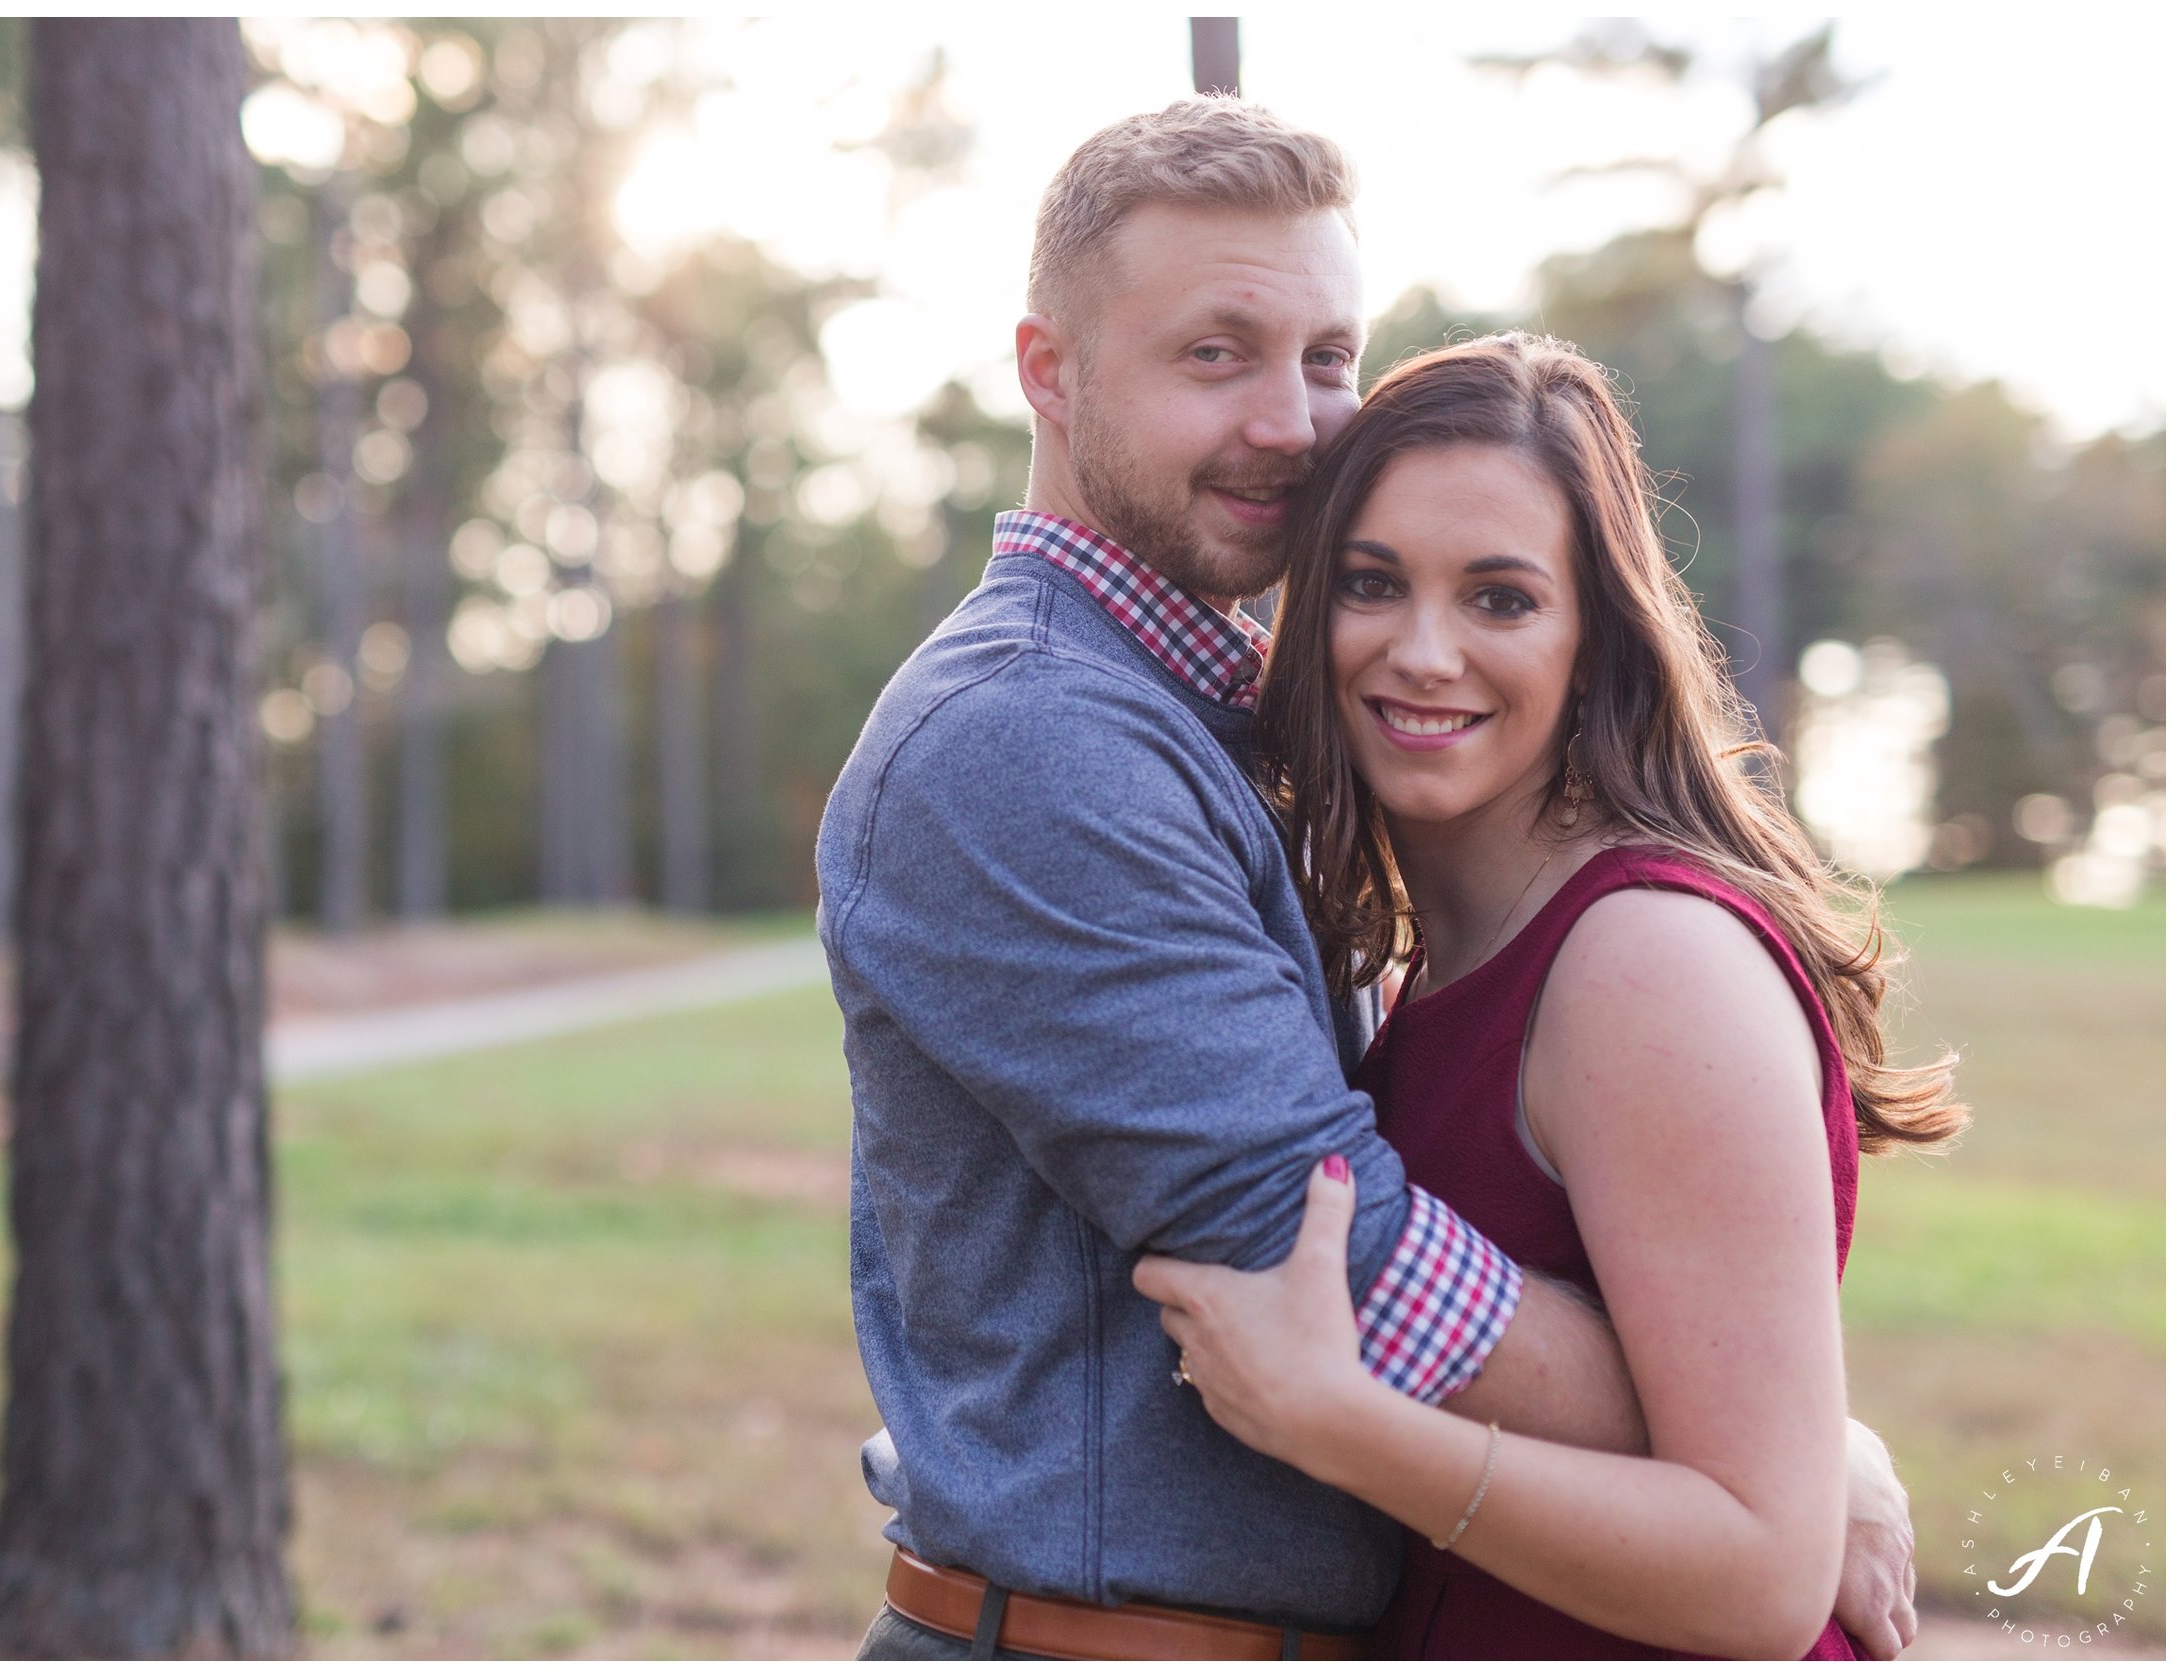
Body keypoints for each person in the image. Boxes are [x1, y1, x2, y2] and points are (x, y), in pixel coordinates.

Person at [816, 96, 1918, 1660]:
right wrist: (1777, 1452)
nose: (1294, 421)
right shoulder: (1029, 737)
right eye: (1218, 352)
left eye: (1327, 356)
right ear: (1049, 372)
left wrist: (1775, 1445)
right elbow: (1310, 1235)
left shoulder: (1221, 722)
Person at [1134, 331, 1968, 1657]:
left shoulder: (1645, 961)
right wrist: (1836, 1441)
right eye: (1371, 581)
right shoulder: (1433, 961)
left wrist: (1342, 1421)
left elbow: (1760, 1576)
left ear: (1595, 634)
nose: (1423, 650)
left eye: (1501, 598)